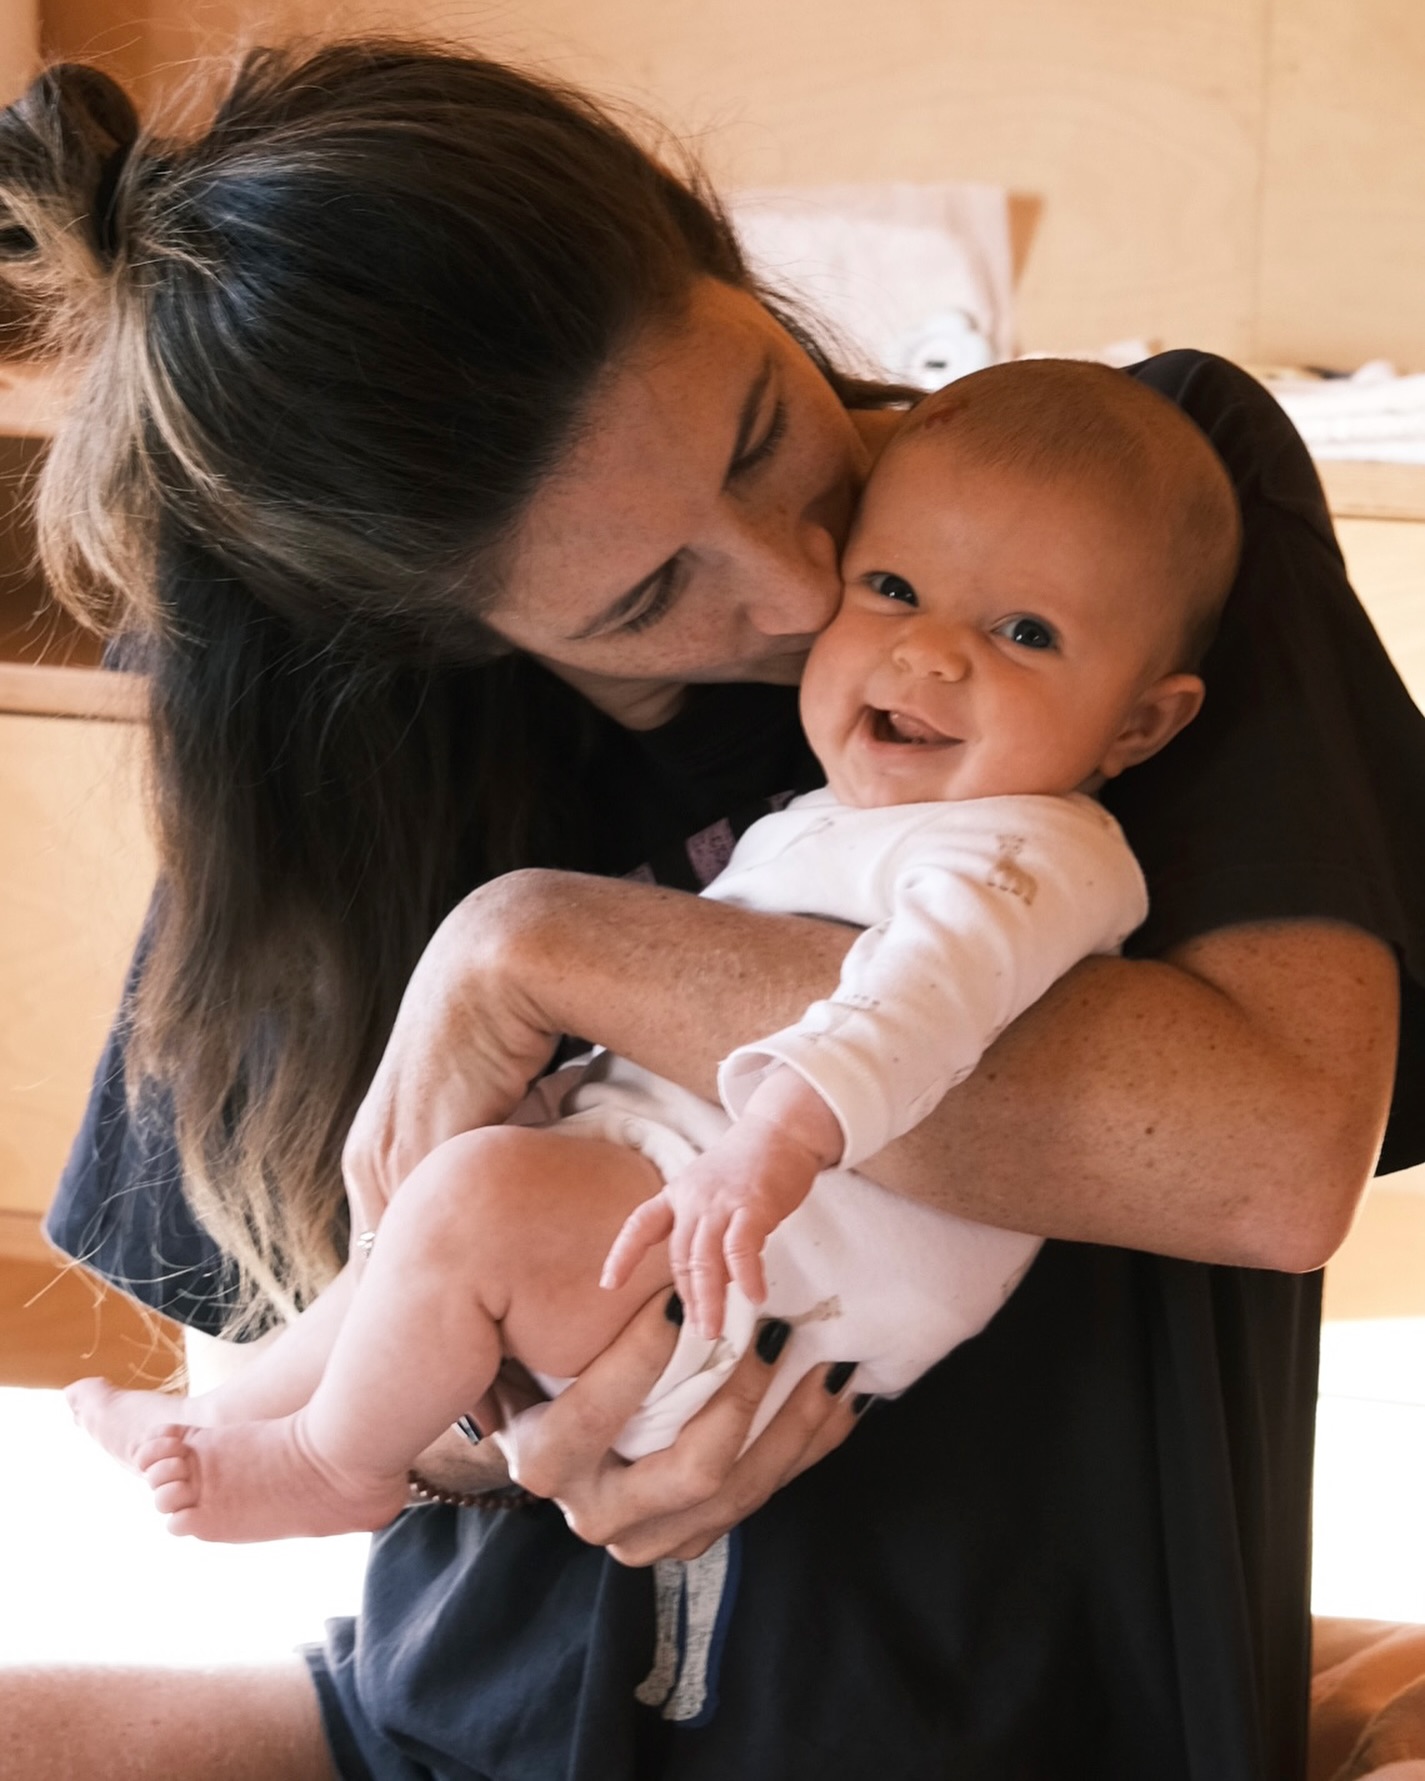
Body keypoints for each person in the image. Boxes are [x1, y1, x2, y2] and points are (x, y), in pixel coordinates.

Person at [3, 39, 1420, 1781]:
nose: (803, 582)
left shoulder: (1123, 512)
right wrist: (515, 1426)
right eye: (646, 592)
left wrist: (535, 941)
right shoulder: (367, 763)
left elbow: (1264, 1158)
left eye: (761, 429)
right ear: (454, 629)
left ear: (726, 262)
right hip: (446, 1714)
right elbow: (295, 1381)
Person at [66, 357, 1235, 1547]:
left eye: (1024, 631)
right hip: (703, 1203)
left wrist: (772, 1142)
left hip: (764, 1267)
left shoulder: (1028, 853)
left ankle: (334, 1465)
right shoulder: (870, 814)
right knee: (440, 1202)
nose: (929, 653)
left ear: (1140, 720)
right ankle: (229, 1414)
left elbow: (920, 1000)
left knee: (469, 1200)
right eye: (891, 587)